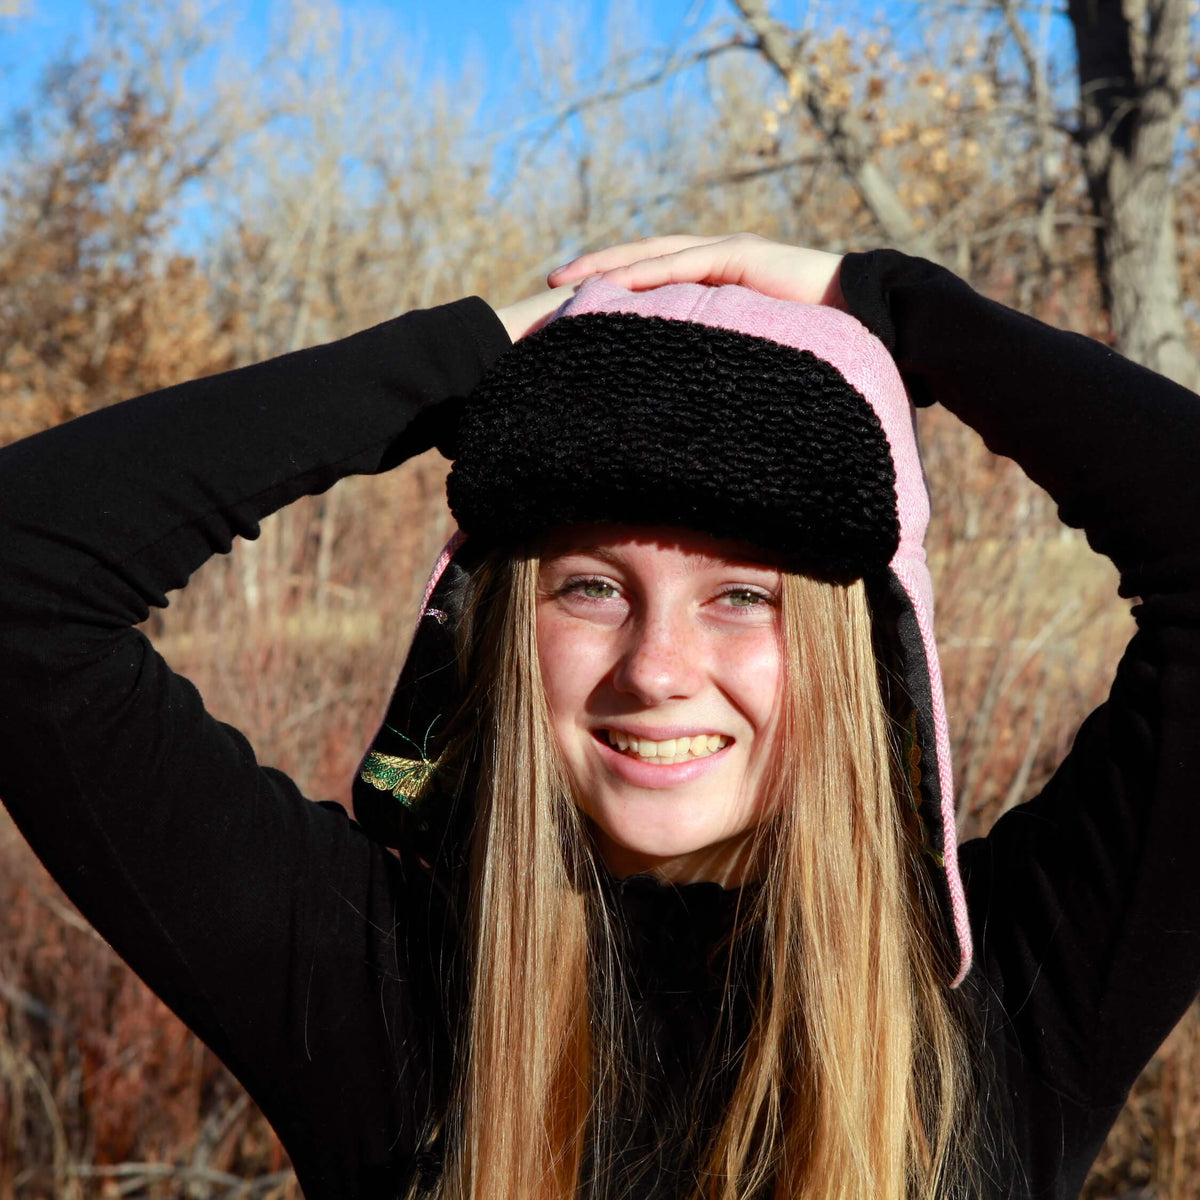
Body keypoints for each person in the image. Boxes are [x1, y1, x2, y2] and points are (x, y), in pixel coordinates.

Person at [0, 232, 1195, 1200]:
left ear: (855, 653)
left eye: (743, 597)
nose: (656, 670)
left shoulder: (1009, 999)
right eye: (590, 588)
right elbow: (24, 575)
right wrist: (475, 357)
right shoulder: (379, 981)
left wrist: (889, 305)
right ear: (500, 633)